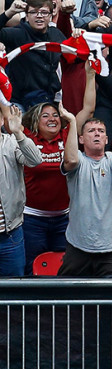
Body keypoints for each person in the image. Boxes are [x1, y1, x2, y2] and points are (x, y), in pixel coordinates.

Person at [58, 110, 112, 277]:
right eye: (91, 131)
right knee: (69, 298)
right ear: (81, 139)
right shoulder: (78, 160)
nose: (97, 134)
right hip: (78, 245)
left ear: (106, 139)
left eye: (101, 131)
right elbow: (70, 160)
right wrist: (73, 122)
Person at [0, 104, 44, 276]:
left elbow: (35, 160)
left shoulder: (11, 143)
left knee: (13, 294)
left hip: (10, 235)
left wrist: (18, 133)